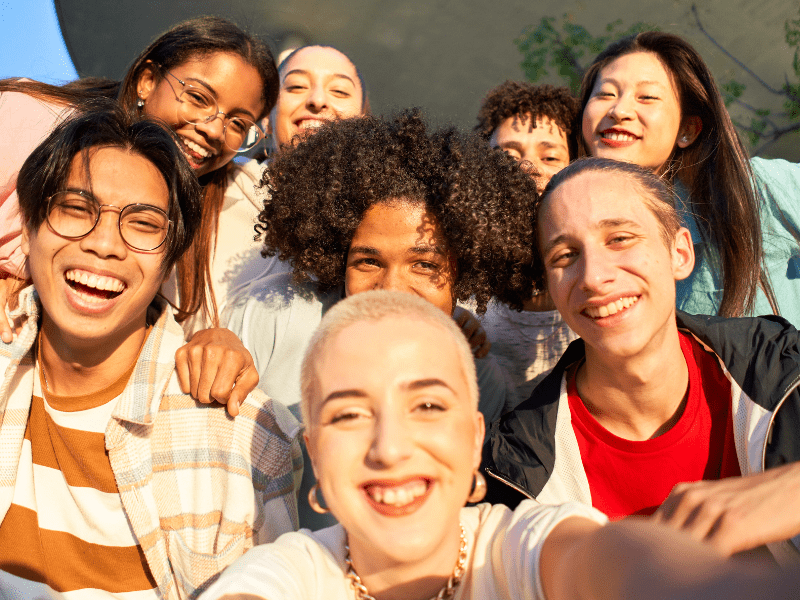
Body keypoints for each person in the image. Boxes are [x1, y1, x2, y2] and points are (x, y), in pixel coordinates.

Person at [201, 290, 794, 600]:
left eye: (428, 406)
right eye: (350, 414)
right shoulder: (287, 575)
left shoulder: (521, 550)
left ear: (476, 438)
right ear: (316, 462)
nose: (390, 446)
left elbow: (615, 562)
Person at [0, 107, 301, 600]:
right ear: (30, 228)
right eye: (76, 209)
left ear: (169, 256)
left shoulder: (239, 436)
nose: (103, 244)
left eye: (142, 224)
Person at [223, 110, 538, 529]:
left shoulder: (479, 378)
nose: (391, 288)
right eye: (368, 261)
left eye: (424, 265)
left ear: (464, 271)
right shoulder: (270, 318)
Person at [483, 158, 800, 564]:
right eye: (565, 255)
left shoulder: (778, 368)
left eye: (619, 239)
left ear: (679, 253)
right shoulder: (516, 470)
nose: (594, 277)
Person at [0, 16, 278, 411]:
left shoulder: (192, 206)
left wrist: (217, 340)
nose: (215, 130)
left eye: (238, 123)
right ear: (148, 80)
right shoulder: (30, 120)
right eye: (199, 98)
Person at [578, 31, 800, 324]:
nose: (619, 110)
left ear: (688, 130)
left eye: (646, 97)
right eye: (606, 94)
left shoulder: (756, 187)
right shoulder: (574, 221)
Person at [475, 81, 580, 400]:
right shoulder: (455, 285)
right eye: (508, 156)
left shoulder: (600, 281)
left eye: (550, 157)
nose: (528, 168)